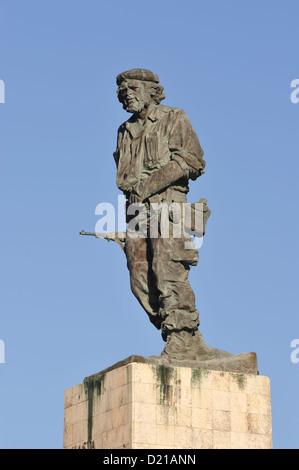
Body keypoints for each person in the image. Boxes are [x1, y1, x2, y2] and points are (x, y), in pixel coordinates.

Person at [113, 69, 226, 361]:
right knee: (139, 278)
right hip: (138, 213)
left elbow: (193, 161)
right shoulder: (124, 131)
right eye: (122, 90)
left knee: (167, 271)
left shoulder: (173, 117)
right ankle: (178, 334)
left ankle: (183, 337)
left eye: (132, 87)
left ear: (152, 91)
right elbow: (124, 176)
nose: (126, 93)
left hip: (169, 206)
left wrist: (148, 186)